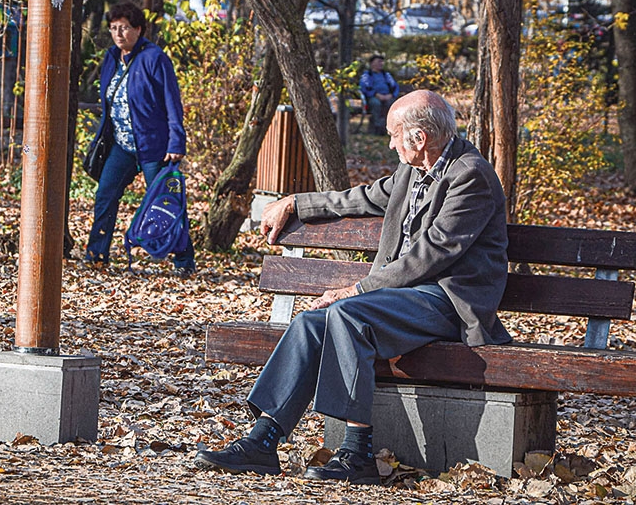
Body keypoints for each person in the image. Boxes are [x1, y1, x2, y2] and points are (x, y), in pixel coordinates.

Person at [194, 90, 510, 483]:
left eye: (394, 135)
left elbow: (431, 256)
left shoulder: (470, 175)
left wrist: (358, 290)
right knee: (313, 321)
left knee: (346, 313)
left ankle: (356, 452)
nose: (391, 143)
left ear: (419, 138)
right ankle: (263, 440)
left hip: (448, 301)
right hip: (402, 299)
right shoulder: (412, 172)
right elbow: (359, 197)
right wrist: (296, 203)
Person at [84, 2, 196, 276]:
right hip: (121, 145)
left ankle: (184, 261)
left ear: (138, 29)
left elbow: (172, 102)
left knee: (166, 202)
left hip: (154, 146)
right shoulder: (111, 57)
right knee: (105, 195)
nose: (118, 33)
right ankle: (97, 255)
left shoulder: (154, 58)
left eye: (124, 28)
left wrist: (176, 142)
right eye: (113, 28)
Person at [358, 55, 405, 134]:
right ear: (372, 63)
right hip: (373, 97)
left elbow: (395, 87)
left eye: (381, 62)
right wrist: (376, 95)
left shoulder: (386, 75)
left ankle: (390, 127)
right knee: (376, 104)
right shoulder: (367, 75)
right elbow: (364, 88)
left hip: (387, 96)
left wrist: (391, 95)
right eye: (378, 61)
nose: (381, 63)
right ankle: (378, 128)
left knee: (392, 104)